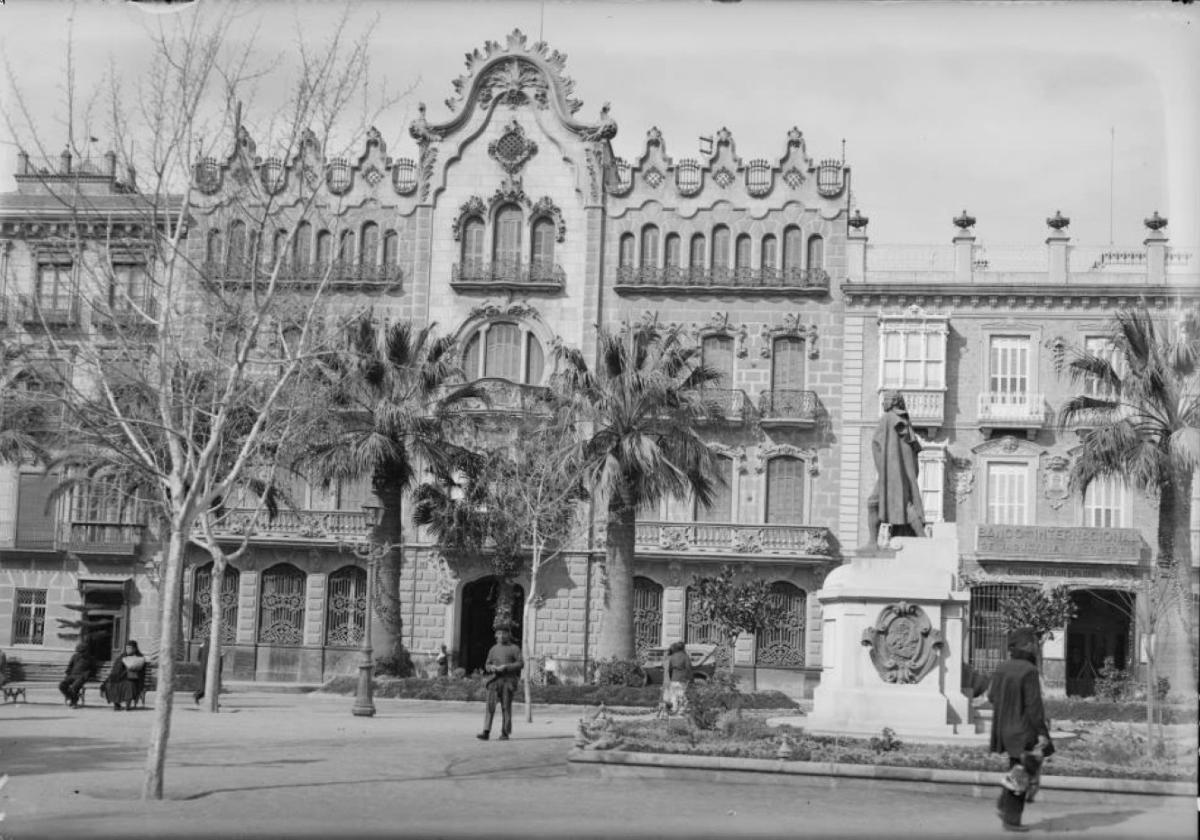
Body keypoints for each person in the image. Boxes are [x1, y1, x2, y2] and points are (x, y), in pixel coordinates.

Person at [987, 627, 1054, 833]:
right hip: (1023, 731)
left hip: (1004, 729)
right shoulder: (1029, 670)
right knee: (1024, 771)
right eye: (1032, 643)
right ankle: (1011, 819)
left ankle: (1003, 805)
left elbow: (991, 697)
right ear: (1025, 645)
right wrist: (1043, 733)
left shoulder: (1002, 667)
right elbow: (1034, 707)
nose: (1035, 646)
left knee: (1018, 767)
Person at [866, 390, 927, 547]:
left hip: (891, 473)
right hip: (899, 472)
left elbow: (878, 445)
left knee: (874, 503)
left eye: (885, 399)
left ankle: (873, 542)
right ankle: (922, 538)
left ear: (893, 402)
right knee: (903, 503)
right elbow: (910, 451)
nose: (883, 403)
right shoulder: (902, 420)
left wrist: (886, 470)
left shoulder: (889, 419)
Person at [477, 625, 522, 741]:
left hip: (508, 681)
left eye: (504, 633)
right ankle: (486, 731)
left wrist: (506, 667)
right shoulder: (493, 649)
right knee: (490, 706)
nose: (501, 636)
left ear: (508, 634)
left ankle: (505, 732)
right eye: (499, 633)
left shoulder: (514, 648)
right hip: (494, 680)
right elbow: (487, 664)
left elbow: (520, 664)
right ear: (496, 635)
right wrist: (490, 667)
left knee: (506, 707)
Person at [105, 640, 147, 712]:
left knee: (129, 685)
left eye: (130, 648)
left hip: (133, 679)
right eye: (127, 648)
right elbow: (116, 669)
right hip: (120, 678)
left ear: (135, 649)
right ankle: (116, 704)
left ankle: (128, 705)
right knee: (111, 684)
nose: (128, 650)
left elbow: (141, 672)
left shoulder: (139, 657)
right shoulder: (122, 656)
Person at [59, 642, 95, 708]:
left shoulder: (90, 659)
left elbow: (93, 670)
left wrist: (87, 675)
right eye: (79, 652)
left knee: (74, 687)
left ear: (86, 651)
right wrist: (67, 674)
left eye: (82, 652)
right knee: (62, 685)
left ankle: (74, 702)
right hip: (72, 675)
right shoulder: (75, 657)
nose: (80, 653)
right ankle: (71, 696)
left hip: (81, 677)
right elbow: (70, 666)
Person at [663, 641, 693, 714]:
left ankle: (674, 709)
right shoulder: (685, 656)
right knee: (682, 694)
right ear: (683, 648)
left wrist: (671, 677)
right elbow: (688, 668)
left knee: (674, 695)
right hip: (682, 679)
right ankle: (682, 710)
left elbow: (669, 669)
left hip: (674, 678)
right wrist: (691, 678)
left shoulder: (673, 656)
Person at [194, 638, 221, 706]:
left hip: (202, 668)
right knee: (212, 685)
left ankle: (198, 697)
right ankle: (213, 703)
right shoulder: (213, 647)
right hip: (210, 668)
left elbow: (198, 657)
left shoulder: (202, 646)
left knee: (203, 684)